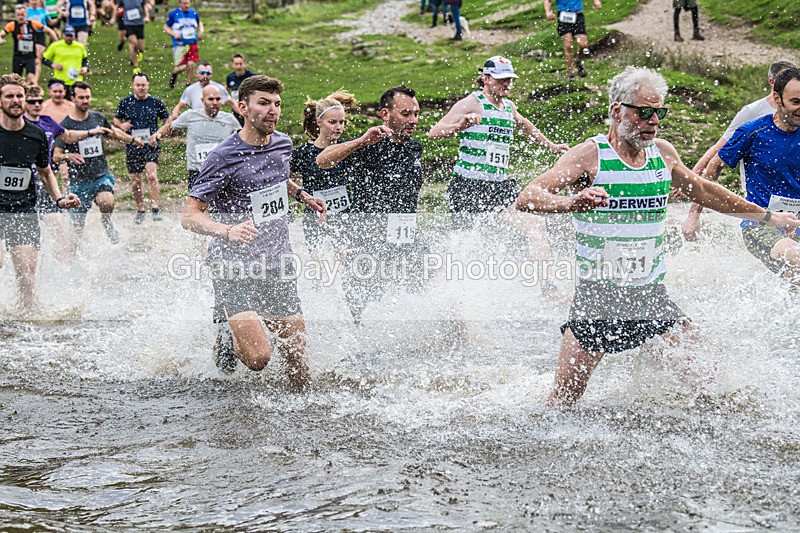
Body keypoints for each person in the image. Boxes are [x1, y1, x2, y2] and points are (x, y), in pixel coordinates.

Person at [515, 66, 800, 406]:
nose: (653, 121)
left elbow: (705, 191)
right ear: (618, 109)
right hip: (599, 300)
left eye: (659, 112)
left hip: (651, 297)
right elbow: (528, 196)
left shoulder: (662, 154)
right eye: (644, 112)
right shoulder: (591, 155)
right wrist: (570, 202)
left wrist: (766, 216)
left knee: (715, 389)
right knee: (564, 400)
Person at [181, 75, 326, 384]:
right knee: (259, 359)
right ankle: (226, 328)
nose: (273, 110)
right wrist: (226, 231)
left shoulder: (283, 143)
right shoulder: (223, 155)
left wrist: (302, 195)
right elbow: (190, 215)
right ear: (243, 108)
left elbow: (276, 178)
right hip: (233, 265)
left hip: (277, 261)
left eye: (277, 104)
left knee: (299, 365)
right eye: (264, 103)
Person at [429, 55, 569, 298]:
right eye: (501, 80)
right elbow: (434, 132)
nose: (506, 85)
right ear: (485, 78)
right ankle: (439, 294)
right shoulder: (472, 103)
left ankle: (548, 288)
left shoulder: (509, 107)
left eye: (509, 80)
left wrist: (551, 146)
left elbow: (526, 126)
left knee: (535, 224)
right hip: (468, 187)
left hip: (499, 187)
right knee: (463, 247)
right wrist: (460, 126)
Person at [317, 85, 427, 323]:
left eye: (416, 113)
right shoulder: (368, 144)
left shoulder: (414, 147)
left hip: (405, 237)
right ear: (385, 114)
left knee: (412, 300)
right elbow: (322, 160)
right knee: (361, 309)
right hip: (368, 241)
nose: (413, 120)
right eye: (406, 114)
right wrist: (360, 141)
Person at [681, 68, 800, 283]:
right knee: (797, 259)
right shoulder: (753, 131)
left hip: (797, 224)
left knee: (794, 279)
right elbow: (714, 167)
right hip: (761, 224)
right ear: (777, 98)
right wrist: (693, 215)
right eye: (796, 102)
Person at [0, 73, 80, 312]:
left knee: (26, 278)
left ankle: (28, 326)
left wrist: (59, 198)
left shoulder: (35, 135)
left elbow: (45, 172)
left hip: (23, 211)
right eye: (9, 96)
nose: (15, 100)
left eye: (19, 96)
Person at [52, 82, 143, 251]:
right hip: (78, 183)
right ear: (73, 99)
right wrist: (67, 156)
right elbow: (56, 156)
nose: (86, 100)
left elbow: (114, 132)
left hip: (100, 176)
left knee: (106, 202)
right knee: (77, 231)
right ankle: (74, 261)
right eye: (81, 97)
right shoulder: (66, 125)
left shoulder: (97, 118)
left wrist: (132, 140)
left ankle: (107, 221)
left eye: (88, 97)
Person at [292, 90, 357, 265]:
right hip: (314, 218)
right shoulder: (303, 153)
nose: (339, 127)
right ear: (319, 122)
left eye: (342, 122)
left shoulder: (348, 150)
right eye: (333, 122)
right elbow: (284, 179)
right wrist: (301, 196)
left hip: (344, 215)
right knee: (319, 267)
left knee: (343, 260)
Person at [153, 85, 240, 190]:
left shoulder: (229, 119)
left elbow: (244, 137)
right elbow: (169, 127)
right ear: (202, 100)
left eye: (218, 99)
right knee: (195, 206)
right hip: (197, 172)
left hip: (220, 171)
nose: (215, 102)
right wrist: (158, 133)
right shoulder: (190, 116)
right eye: (211, 99)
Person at [114, 72, 169, 223]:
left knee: (151, 175)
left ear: (148, 85)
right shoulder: (125, 102)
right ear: (133, 86)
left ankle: (155, 207)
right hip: (133, 145)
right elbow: (116, 120)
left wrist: (158, 133)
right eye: (138, 85)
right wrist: (121, 125)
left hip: (151, 144)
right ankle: (140, 209)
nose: (141, 88)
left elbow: (167, 121)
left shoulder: (156, 102)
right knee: (135, 180)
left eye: (143, 85)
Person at [544, 0, 602, 82]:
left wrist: (596, 1)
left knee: (583, 45)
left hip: (578, 14)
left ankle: (578, 62)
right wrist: (548, 12)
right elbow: (547, 1)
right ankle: (571, 73)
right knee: (568, 45)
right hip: (563, 15)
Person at [0, 5, 57, 85]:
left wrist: (55, 42)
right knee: (16, 80)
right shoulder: (12, 25)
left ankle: (29, 94)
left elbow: (49, 30)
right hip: (18, 56)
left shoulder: (32, 24)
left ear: (26, 14)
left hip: (30, 57)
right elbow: (1, 34)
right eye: (18, 15)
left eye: (22, 15)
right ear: (15, 15)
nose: (20, 17)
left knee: (31, 79)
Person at [170, 61, 235, 119]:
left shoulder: (219, 88)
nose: (205, 76)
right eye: (202, 73)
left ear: (212, 74)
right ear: (197, 74)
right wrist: (174, 116)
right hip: (196, 121)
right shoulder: (190, 89)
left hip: (214, 120)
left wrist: (242, 115)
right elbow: (179, 106)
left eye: (208, 73)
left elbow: (233, 103)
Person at [41, 25, 88, 99]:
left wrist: (85, 68)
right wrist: (52, 65)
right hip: (60, 80)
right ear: (63, 35)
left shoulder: (80, 46)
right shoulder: (55, 45)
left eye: (71, 36)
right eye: (67, 36)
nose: (69, 38)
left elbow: (85, 59)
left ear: (74, 36)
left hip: (76, 80)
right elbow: (44, 59)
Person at [164, 0, 202, 89]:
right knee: (180, 67)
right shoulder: (173, 14)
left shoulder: (193, 13)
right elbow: (166, 27)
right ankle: (174, 73)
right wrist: (174, 34)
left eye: (188, 3)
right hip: (179, 44)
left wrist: (201, 31)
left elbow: (199, 23)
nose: (187, 5)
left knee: (191, 64)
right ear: (179, 4)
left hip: (192, 43)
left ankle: (189, 85)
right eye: (184, 3)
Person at [118, 0, 151, 74]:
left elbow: (145, 6)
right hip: (128, 23)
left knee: (141, 47)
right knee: (133, 42)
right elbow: (117, 7)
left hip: (139, 23)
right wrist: (118, 11)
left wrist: (147, 16)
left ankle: (138, 54)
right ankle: (136, 66)